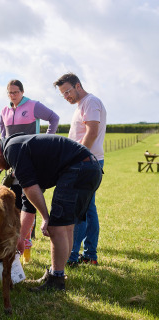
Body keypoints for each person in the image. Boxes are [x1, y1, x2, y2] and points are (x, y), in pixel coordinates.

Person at [0, 133, 102, 291]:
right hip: (89, 168)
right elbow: (28, 203)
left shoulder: (12, 149)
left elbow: (29, 187)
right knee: (66, 226)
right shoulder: (20, 146)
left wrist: (46, 218)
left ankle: (56, 280)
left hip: (78, 168)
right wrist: (21, 237)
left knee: (56, 227)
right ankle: (56, 274)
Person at [0, 79, 60, 256]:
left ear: (23, 92)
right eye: (10, 93)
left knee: (29, 203)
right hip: (13, 163)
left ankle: (26, 247)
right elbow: (3, 134)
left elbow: (54, 118)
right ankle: (18, 244)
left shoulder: (33, 106)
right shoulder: (4, 111)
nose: (13, 96)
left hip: (31, 161)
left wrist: (46, 141)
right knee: (16, 204)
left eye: (16, 92)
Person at [54, 73, 107, 266]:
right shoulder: (81, 105)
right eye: (63, 94)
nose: (66, 96)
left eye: (67, 91)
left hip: (86, 162)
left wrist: (77, 156)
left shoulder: (90, 102)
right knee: (88, 209)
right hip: (85, 161)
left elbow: (91, 131)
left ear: (78, 85)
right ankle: (90, 254)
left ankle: (72, 256)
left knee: (81, 210)